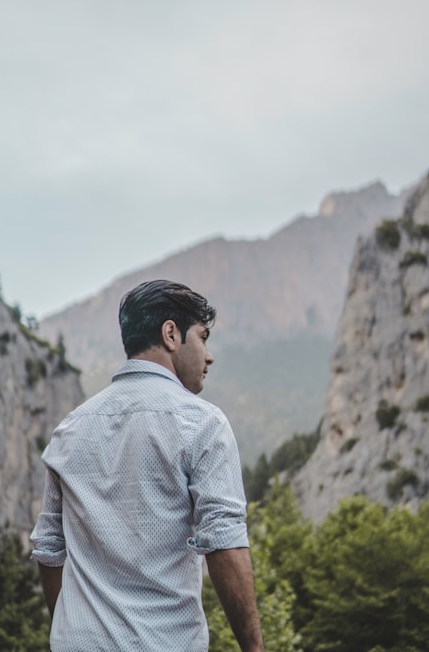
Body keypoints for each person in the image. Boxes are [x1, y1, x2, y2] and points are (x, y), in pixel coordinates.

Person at [31, 279, 264, 652]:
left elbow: (48, 548)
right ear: (171, 334)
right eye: (203, 338)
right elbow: (224, 543)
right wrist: (254, 648)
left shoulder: (70, 429)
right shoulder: (202, 423)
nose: (209, 356)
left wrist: (73, 633)